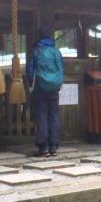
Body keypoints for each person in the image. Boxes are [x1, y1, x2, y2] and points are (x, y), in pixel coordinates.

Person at [26, 27, 64, 157]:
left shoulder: (37, 51)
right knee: (54, 115)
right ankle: (54, 146)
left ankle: (44, 147)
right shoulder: (56, 52)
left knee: (41, 114)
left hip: (41, 86)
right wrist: (58, 83)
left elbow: (31, 70)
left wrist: (30, 83)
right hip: (54, 87)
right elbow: (61, 69)